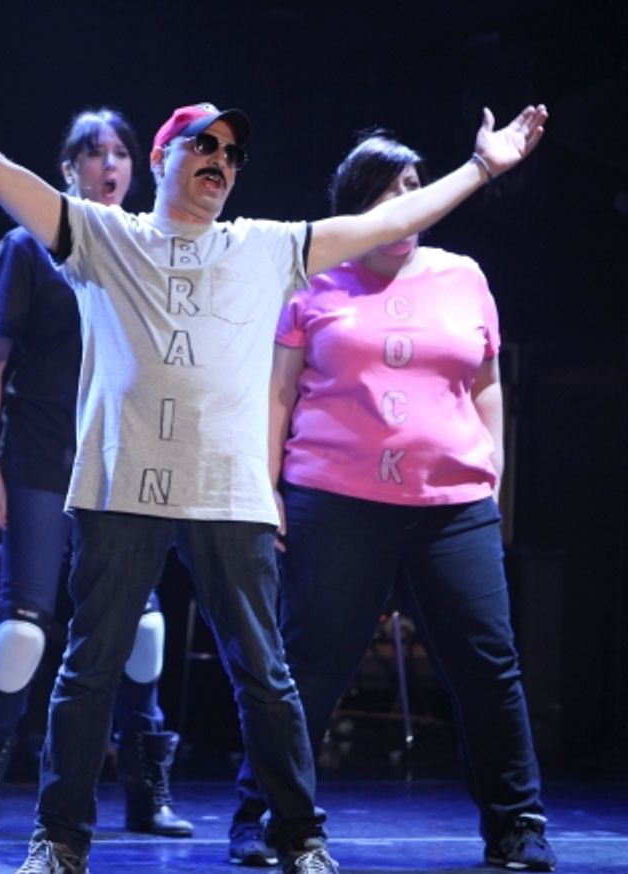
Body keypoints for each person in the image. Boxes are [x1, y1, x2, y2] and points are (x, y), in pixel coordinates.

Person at [0, 4, 546, 872]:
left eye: (232, 153)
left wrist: (479, 165)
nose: (220, 162)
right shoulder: (100, 236)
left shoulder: (268, 246)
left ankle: (296, 838)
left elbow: (389, 223)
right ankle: (60, 840)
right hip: (120, 488)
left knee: (268, 678)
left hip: (229, 492)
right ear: (162, 158)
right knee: (87, 673)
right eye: (203, 146)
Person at [227, 133, 556, 872]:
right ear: (355, 208)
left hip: (452, 505)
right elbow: (278, 394)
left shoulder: (463, 276)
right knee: (308, 667)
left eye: (415, 186)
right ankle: (264, 816)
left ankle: (517, 824)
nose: (406, 205)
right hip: (335, 502)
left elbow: (486, 381)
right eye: (388, 191)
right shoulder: (315, 281)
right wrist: (265, 486)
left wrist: (493, 469)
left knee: (487, 667)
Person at [0, 108, 190, 840]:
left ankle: (146, 788)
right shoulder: (30, 249)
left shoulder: (146, 248)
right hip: (42, 458)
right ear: (69, 168)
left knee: (141, 628)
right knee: (24, 630)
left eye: (121, 152)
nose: (110, 166)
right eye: (95, 154)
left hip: (125, 465)